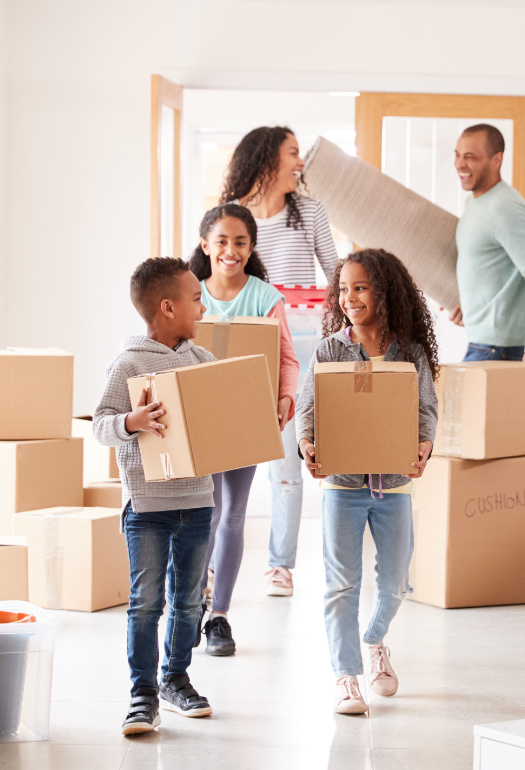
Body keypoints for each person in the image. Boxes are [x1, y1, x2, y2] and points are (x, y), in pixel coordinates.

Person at [296, 248, 439, 715]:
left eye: (360, 288)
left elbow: (426, 412)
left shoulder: (409, 353)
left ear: (386, 292)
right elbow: (308, 409)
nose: (349, 298)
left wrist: (424, 444)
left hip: (394, 484)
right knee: (341, 585)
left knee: (396, 583)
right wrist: (307, 444)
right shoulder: (329, 350)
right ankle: (346, 676)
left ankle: (374, 640)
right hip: (342, 484)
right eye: (342, 289)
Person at [94, 257, 216, 735]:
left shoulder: (201, 361)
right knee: (147, 601)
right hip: (147, 507)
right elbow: (102, 423)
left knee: (188, 601)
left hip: (198, 501)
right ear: (168, 307)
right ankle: (142, 692)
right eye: (195, 298)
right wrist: (132, 422)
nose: (202, 306)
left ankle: (176, 678)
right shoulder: (129, 363)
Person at [222, 125, 340, 597]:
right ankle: (214, 562)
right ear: (267, 159)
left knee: (286, 461)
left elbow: (336, 275)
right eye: (293, 153)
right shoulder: (234, 220)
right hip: (248, 343)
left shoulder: (309, 212)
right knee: (226, 454)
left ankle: (280, 566)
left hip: (302, 345)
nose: (300, 162)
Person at [187, 203, 300, 656]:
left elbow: (287, 358)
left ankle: (220, 617)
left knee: (233, 513)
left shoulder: (265, 298)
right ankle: (192, 604)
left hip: (247, 416)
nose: (231, 251)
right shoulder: (189, 292)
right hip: (199, 417)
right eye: (222, 241)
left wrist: (285, 399)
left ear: (251, 248)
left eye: (240, 242)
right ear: (205, 245)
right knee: (204, 514)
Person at [448, 124, 525, 363]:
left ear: (496, 160)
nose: (459, 164)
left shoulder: (505, 207)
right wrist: (471, 308)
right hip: (484, 343)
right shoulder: (475, 204)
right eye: (457, 155)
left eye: (470, 157)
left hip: (501, 349)